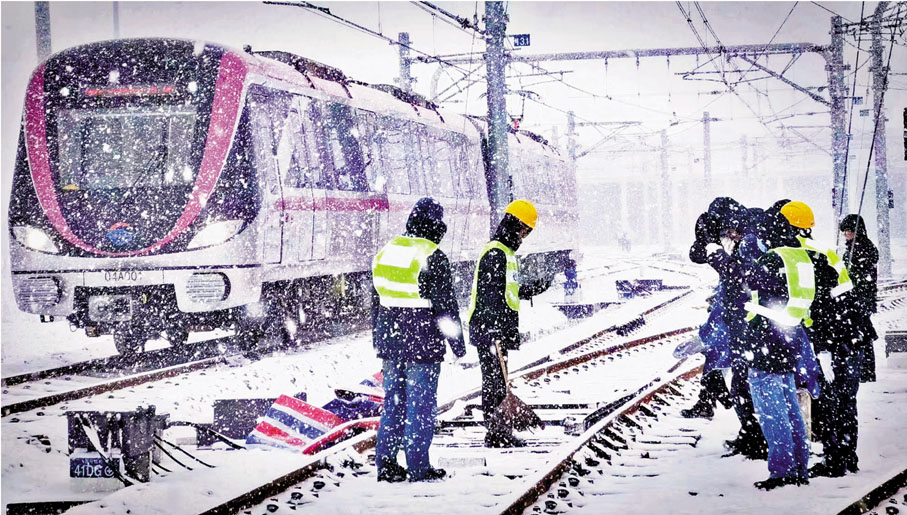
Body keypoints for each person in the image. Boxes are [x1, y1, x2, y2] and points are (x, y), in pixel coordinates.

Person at [371, 197, 467, 482]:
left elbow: (376, 302)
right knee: (420, 406)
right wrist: (458, 345)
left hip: (391, 340)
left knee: (393, 403)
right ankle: (418, 467)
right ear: (436, 225)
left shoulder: (387, 251)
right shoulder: (432, 255)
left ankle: (386, 464)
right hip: (422, 341)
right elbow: (445, 308)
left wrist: (379, 339)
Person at [743, 209, 838, 490]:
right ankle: (799, 467)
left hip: (766, 342)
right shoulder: (800, 256)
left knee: (772, 411)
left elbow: (755, 295)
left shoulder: (773, 258)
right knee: (790, 408)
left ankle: (782, 471)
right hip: (791, 339)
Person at [779, 202, 865, 477]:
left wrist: (824, 348)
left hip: (832, 339)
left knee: (829, 400)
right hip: (852, 334)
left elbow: (822, 306)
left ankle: (835, 461)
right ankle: (847, 456)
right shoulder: (825, 251)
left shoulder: (797, 255)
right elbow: (845, 294)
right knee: (846, 399)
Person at [468, 199, 551, 448]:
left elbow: (507, 290)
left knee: (499, 382)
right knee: (494, 383)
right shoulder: (496, 253)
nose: (524, 236)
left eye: (527, 232)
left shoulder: (506, 253)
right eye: (524, 230)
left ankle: (499, 431)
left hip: (497, 328)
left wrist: (532, 289)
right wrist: (493, 328)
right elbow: (488, 294)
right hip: (490, 329)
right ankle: (496, 433)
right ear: (514, 225)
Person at [689, 198, 767, 460]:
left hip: (752, 325)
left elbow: (741, 277)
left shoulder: (750, 243)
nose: (728, 237)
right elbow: (698, 255)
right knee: (740, 384)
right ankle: (751, 435)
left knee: (746, 385)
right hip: (742, 323)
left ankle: (756, 439)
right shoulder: (742, 240)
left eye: (729, 232)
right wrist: (707, 240)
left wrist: (719, 256)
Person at [840, 214, 879, 382]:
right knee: (863, 333)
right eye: (844, 231)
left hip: (860, 298)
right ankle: (866, 371)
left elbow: (860, 276)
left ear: (858, 231)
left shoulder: (863, 249)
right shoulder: (853, 248)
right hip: (860, 297)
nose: (846, 234)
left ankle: (866, 371)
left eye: (849, 230)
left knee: (862, 334)